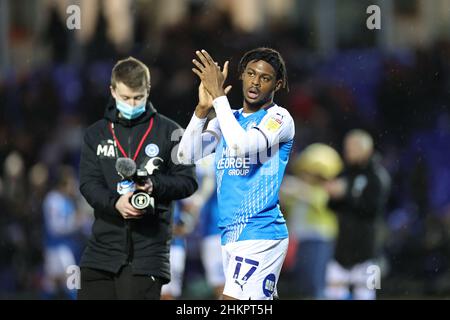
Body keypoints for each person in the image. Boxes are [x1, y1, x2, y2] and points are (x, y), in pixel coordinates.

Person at [178, 48, 295, 300]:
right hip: (230, 233)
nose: (255, 81)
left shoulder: (278, 118)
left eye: (265, 78)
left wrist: (219, 96)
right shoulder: (226, 119)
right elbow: (186, 154)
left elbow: (242, 147)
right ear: (242, 76)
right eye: (251, 73)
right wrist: (201, 110)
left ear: (278, 83)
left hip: (260, 231)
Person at [77, 57, 197, 300]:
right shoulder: (96, 134)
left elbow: (188, 181)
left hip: (148, 254)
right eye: (125, 98)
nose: (132, 104)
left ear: (148, 91)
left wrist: (155, 185)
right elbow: (89, 184)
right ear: (112, 90)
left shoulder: (171, 132)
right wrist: (115, 204)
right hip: (101, 251)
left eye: (138, 98)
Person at [324, 129, 391, 300]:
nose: (348, 151)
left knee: (367, 295)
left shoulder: (378, 176)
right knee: (332, 294)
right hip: (341, 253)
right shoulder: (344, 173)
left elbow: (371, 209)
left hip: (369, 255)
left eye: (353, 147)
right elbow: (331, 206)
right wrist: (332, 195)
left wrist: (346, 193)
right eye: (347, 147)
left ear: (366, 149)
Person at [281, 143, 343, 299]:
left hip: (319, 239)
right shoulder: (298, 188)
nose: (307, 175)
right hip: (299, 239)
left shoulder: (324, 190)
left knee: (315, 282)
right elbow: (284, 200)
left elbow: (318, 200)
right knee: (304, 282)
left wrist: (296, 189)